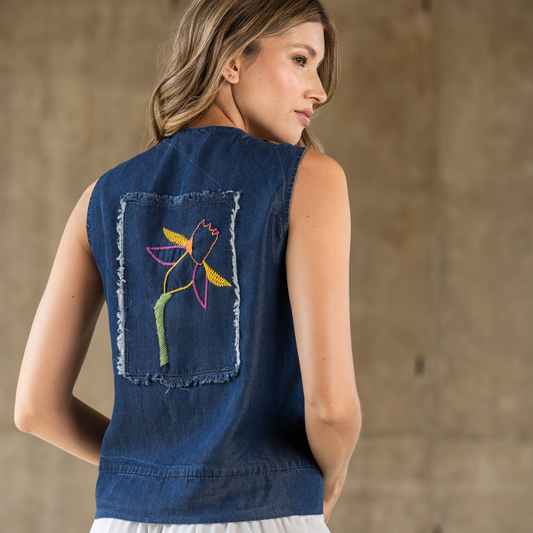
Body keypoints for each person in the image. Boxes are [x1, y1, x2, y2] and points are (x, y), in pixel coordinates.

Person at [14, 0, 362, 531]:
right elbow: (331, 408)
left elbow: (35, 408)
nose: (319, 89)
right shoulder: (310, 179)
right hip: (266, 512)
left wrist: (155, 475)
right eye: (300, 60)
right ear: (232, 61)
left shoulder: (100, 197)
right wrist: (327, 484)